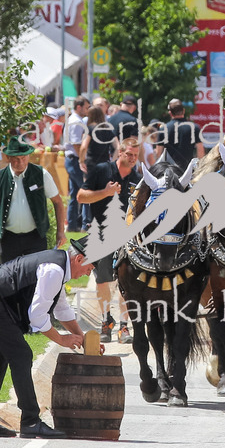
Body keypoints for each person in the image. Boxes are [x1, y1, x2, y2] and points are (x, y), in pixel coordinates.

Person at [0, 239, 95, 439]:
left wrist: (82, 338)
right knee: (21, 355)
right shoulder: (54, 270)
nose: (89, 273)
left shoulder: (59, 268)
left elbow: (61, 309)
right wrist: (61, 339)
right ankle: (30, 421)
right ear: (79, 259)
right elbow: (37, 316)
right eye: (90, 268)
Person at [78, 139, 141, 342]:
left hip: (127, 238)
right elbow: (81, 196)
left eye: (135, 156)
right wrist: (104, 193)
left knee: (126, 282)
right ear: (119, 153)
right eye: (129, 154)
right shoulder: (101, 171)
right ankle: (106, 322)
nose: (132, 159)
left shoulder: (138, 179)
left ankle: (124, 327)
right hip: (102, 235)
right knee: (103, 280)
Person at [0, 136, 65, 263]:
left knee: (35, 279)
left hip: (35, 237)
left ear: (28, 156)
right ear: (8, 158)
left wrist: (61, 232)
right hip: (8, 239)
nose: (20, 162)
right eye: (16, 159)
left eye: (23, 158)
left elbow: (58, 202)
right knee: (9, 279)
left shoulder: (41, 174)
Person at [62, 96, 90, 231]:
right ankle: (85, 225)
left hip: (72, 159)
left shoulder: (74, 120)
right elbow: (76, 144)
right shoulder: (76, 121)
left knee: (75, 194)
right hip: (74, 160)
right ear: (79, 107)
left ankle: (72, 225)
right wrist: (82, 160)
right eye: (86, 107)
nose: (88, 110)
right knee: (85, 192)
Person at [156, 100, 205, 170]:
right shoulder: (195, 128)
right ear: (184, 111)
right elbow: (200, 152)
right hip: (188, 171)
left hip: (169, 172)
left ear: (170, 113)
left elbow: (158, 154)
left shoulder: (163, 129)